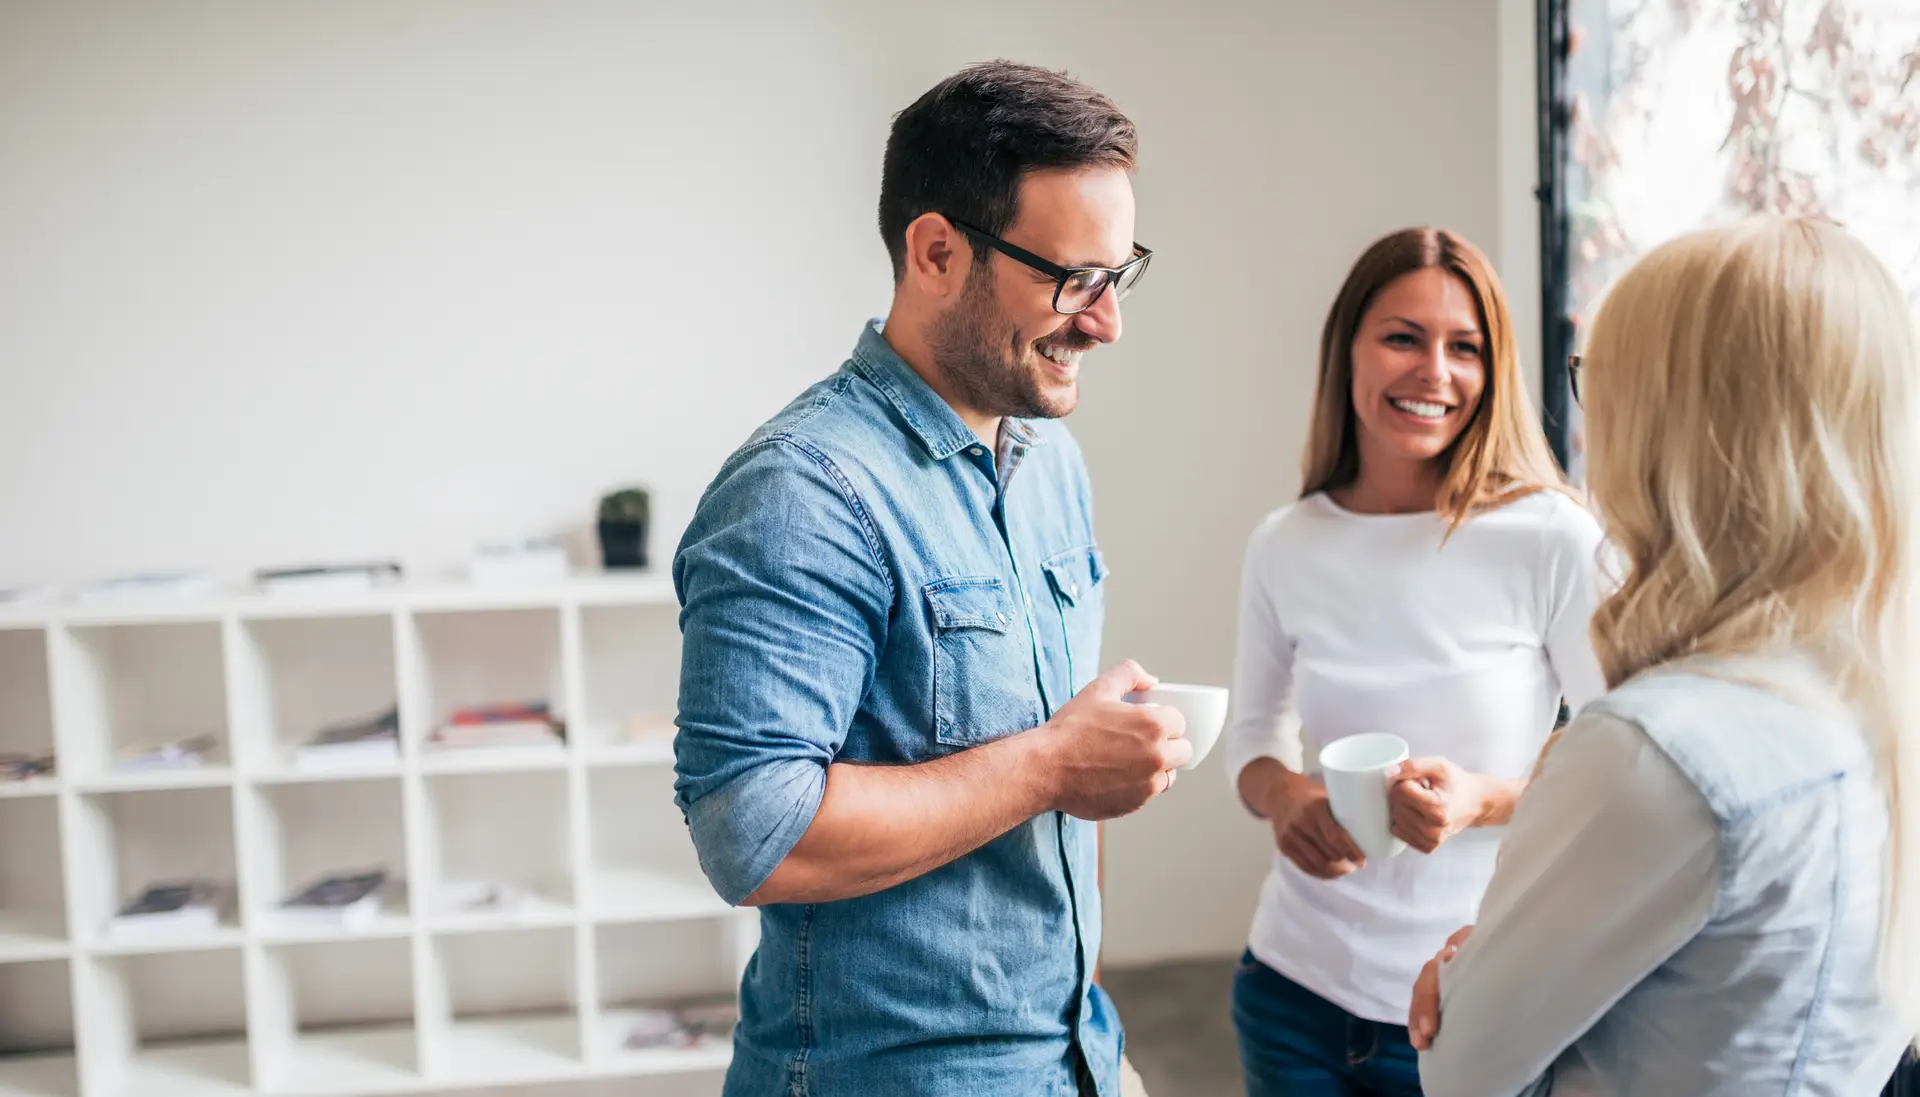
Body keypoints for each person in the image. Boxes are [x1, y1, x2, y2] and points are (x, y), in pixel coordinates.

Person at [670, 61, 1179, 1097]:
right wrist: (1052, 764)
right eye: (1073, 279)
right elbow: (753, 831)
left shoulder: (1048, 464)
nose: (1106, 321)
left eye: (1118, 275)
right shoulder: (798, 493)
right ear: (938, 250)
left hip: (1070, 1054)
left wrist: (1096, 1055)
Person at [1409, 216, 1920, 1094]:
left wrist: (1462, 982)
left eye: (1597, 384)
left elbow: (1464, 1074)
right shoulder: (1876, 694)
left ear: (1680, 430)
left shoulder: (1655, 747)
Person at [1221, 227, 1606, 1096]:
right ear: (1347, 350)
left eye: (1464, 347)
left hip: (1468, 1001)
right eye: (1403, 337)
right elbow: (1252, 739)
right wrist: (1286, 797)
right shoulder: (1286, 543)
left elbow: (1619, 772)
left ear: (1493, 368)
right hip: (1290, 993)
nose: (1435, 371)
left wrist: (1482, 800)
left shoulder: (1550, 537)